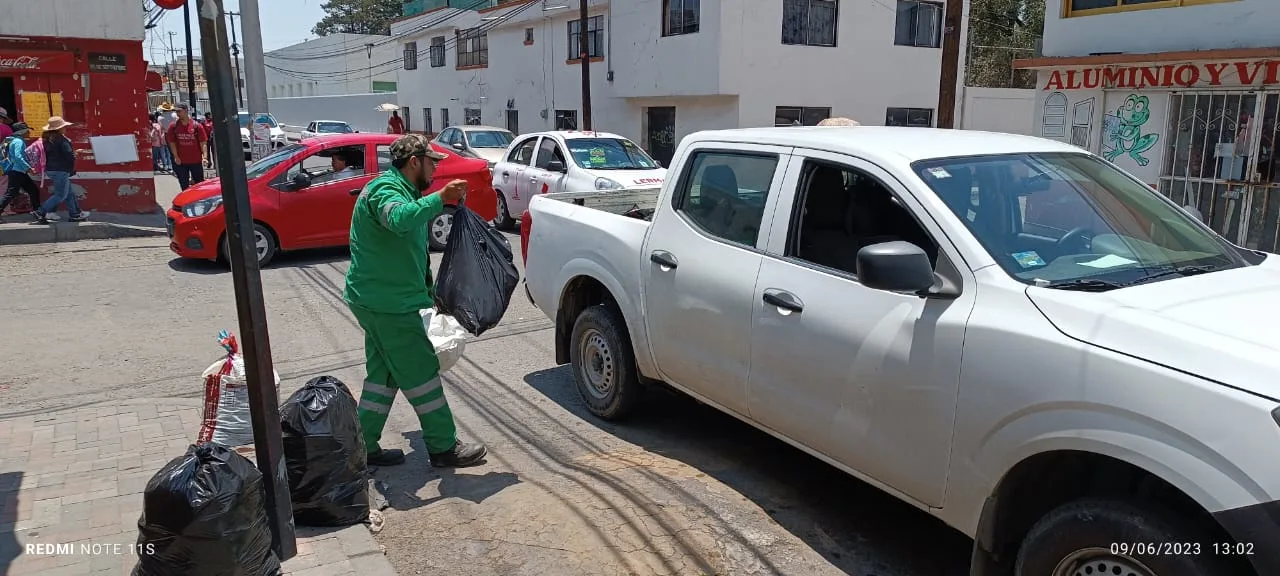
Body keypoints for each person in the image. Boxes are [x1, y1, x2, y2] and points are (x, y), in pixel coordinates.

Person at [343, 133, 485, 468]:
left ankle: (362, 447)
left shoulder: (403, 189)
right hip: (388, 305)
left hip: (379, 299)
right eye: (431, 163)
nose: (434, 171)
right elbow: (397, 218)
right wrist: (439, 200)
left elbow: (411, 252)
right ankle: (443, 446)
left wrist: (428, 293)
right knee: (422, 373)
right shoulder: (386, 191)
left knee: (384, 375)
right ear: (413, 163)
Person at [33, 117, 84, 224]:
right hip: (61, 170)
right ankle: (40, 212)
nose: (65, 128)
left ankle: (74, 214)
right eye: (64, 126)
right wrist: (75, 156)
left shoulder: (48, 139)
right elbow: (69, 155)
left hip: (51, 169)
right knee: (60, 195)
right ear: (59, 128)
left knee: (68, 192)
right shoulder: (62, 139)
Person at [0, 122, 41, 219]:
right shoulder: (18, 141)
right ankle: (38, 212)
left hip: (16, 170)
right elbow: (18, 157)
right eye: (27, 131)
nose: (28, 133)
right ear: (22, 132)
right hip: (17, 171)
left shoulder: (8, 140)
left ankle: (38, 212)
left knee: (32, 189)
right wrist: (28, 168)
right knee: (11, 193)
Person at [167, 103, 208, 190]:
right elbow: (172, 143)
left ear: (186, 111)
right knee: (184, 185)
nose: (177, 113)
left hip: (196, 161)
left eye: (179, 111)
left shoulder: (197, 126)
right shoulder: (173, 126)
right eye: (176, 111)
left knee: (199, 185)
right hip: (180, 162)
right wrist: (176, 156)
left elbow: (203, 143)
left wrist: (205, 157)